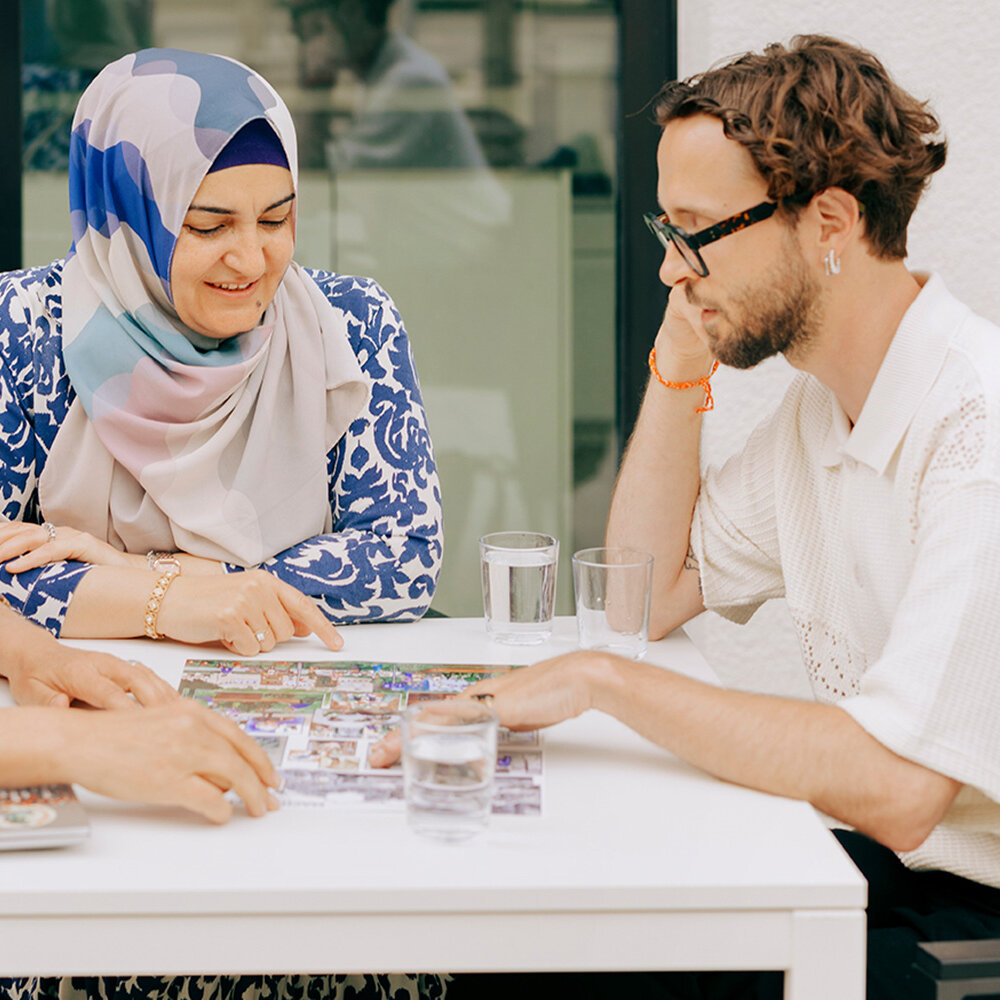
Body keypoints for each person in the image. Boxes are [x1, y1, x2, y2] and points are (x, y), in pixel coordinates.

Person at [374, 34, 1000, 1000]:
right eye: (663, 231)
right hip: (890, 874)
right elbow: (644, 594)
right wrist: (679, 364)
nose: (672, 267)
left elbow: (902, 790)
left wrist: (598, 683)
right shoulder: (819, 410)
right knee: (538, 938)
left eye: (696, 231)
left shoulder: (976, 430)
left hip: (967, 918)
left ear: (828, 220)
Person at [0, 47, 443, 657]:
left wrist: (163, 578)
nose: (251, 261)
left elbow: (403, 557)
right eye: (208, 226)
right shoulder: (26, 328)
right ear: (129, 215)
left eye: (275, 219)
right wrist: (174, 604)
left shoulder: (349, 322)